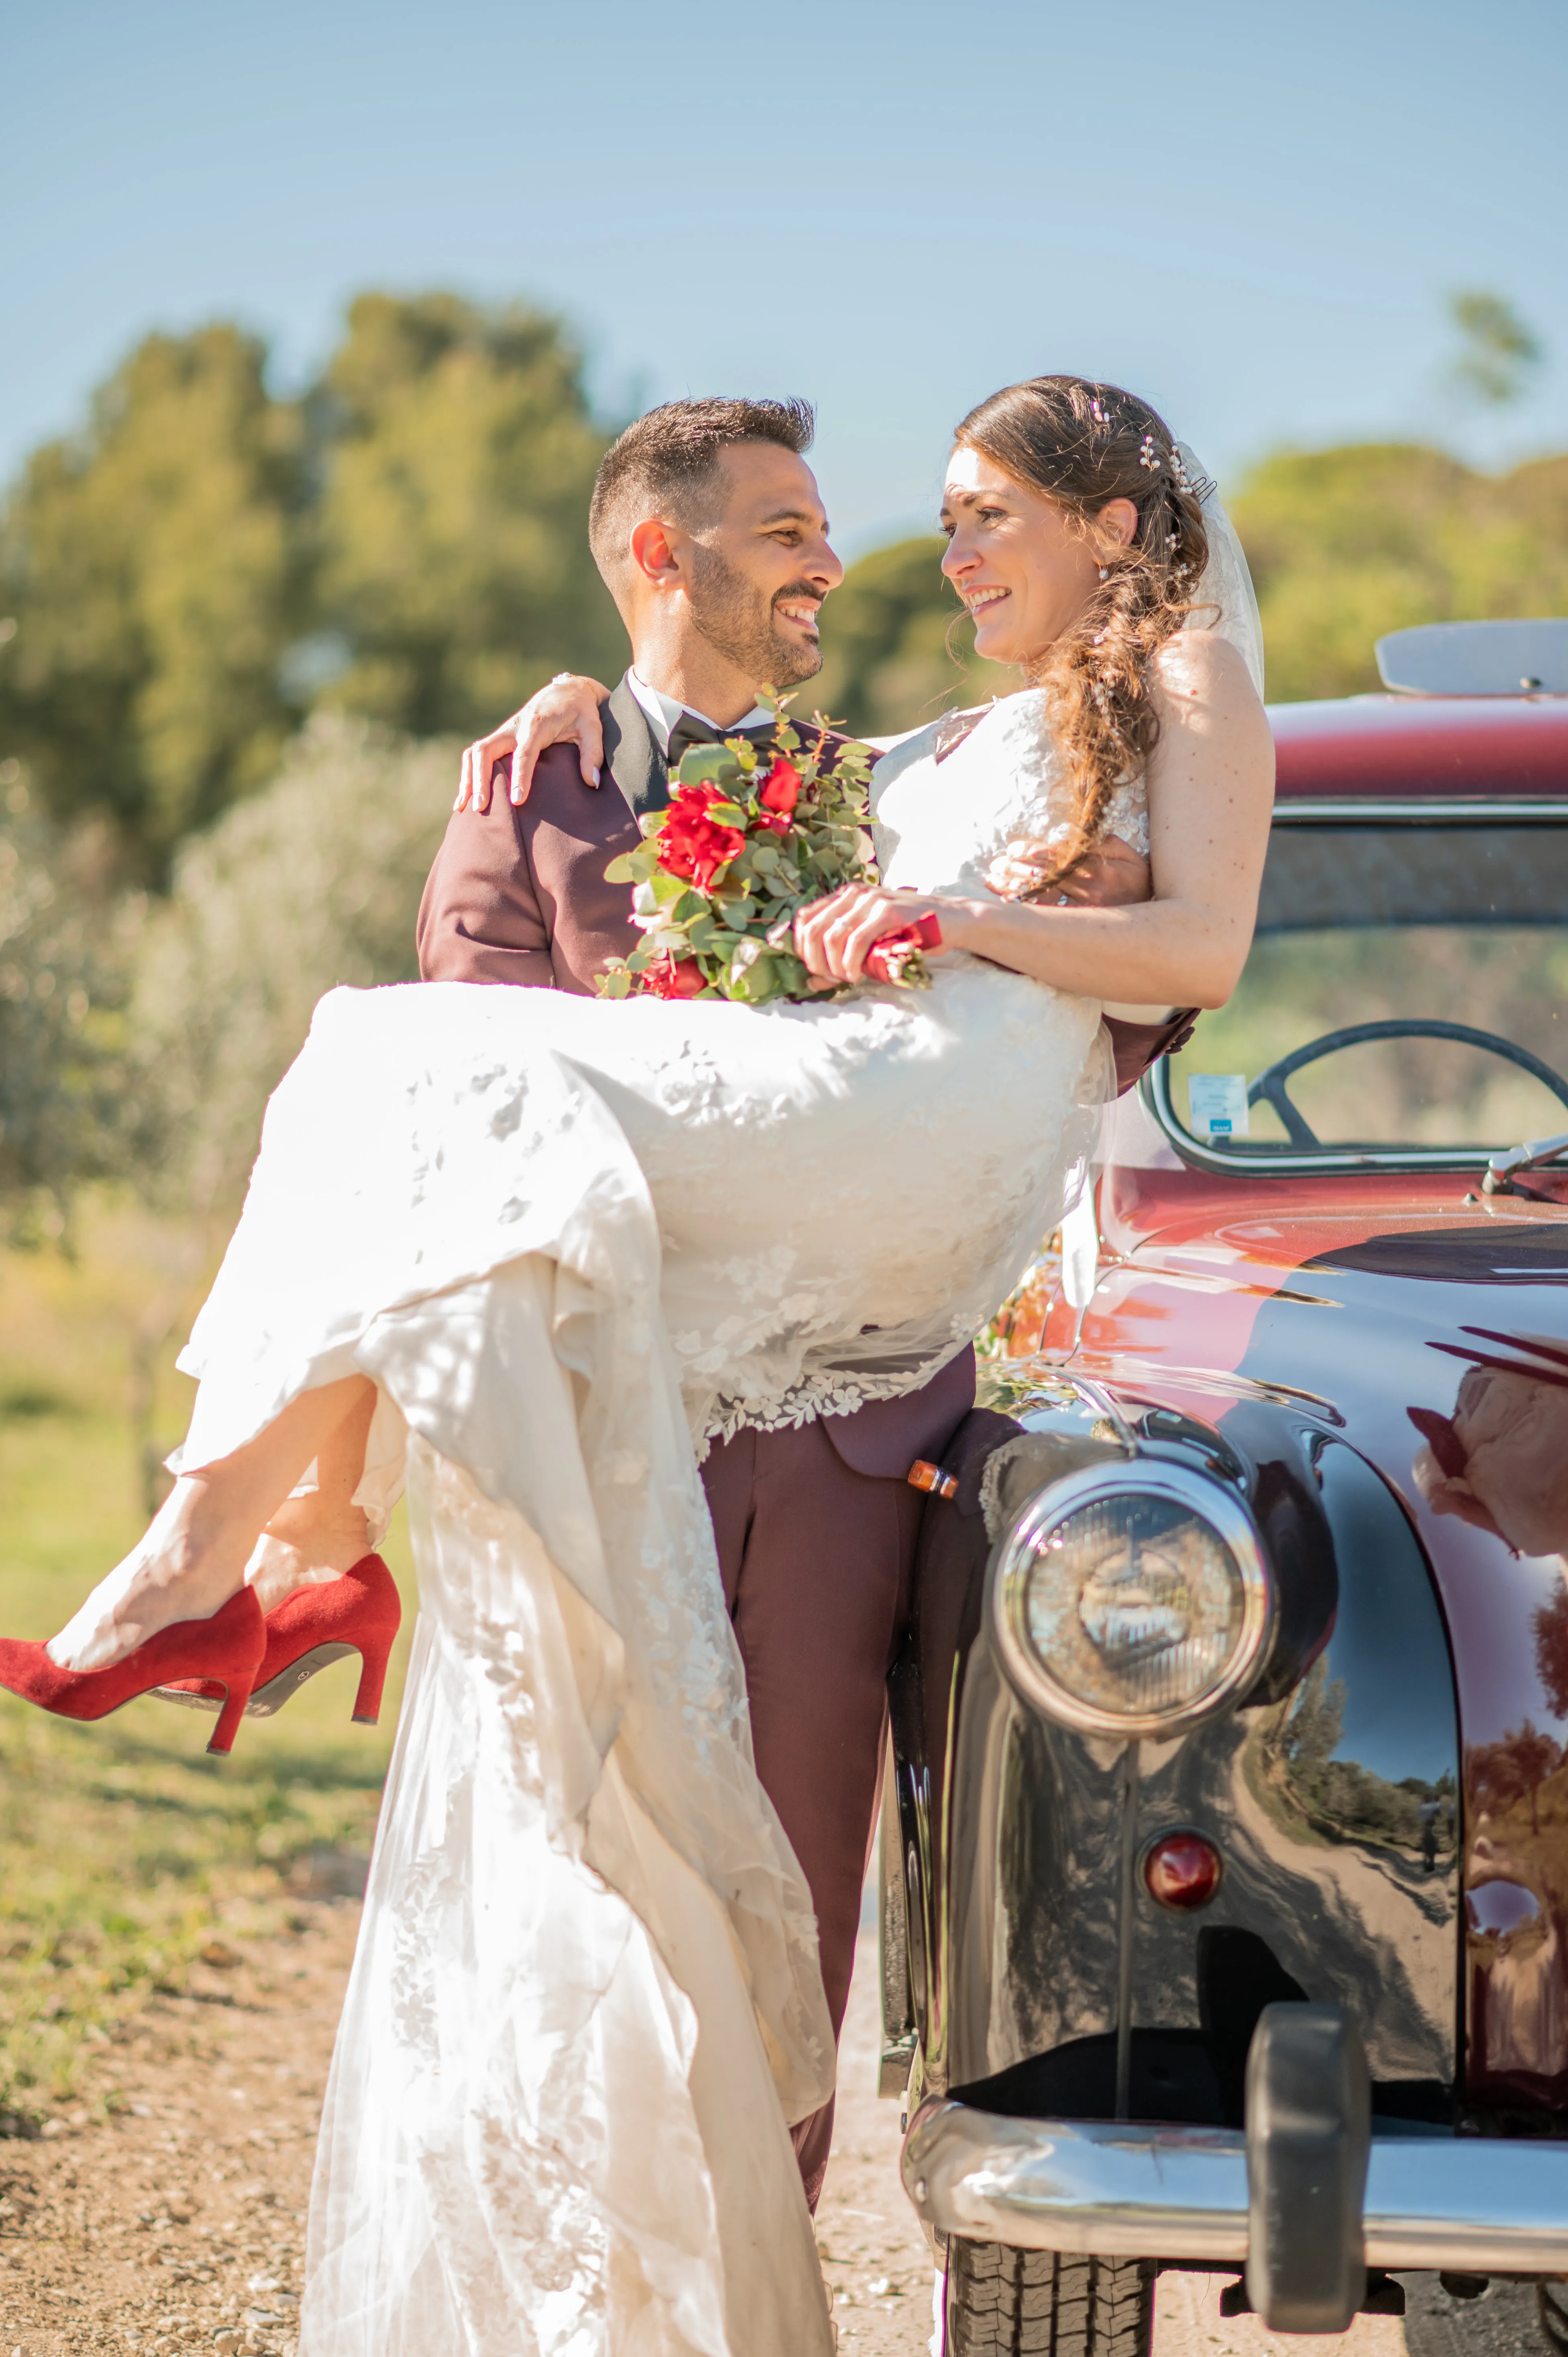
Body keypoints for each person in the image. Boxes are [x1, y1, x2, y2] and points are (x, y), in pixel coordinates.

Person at [0, 376, 1274, 2357]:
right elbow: (496, 1016)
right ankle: (287, 1535)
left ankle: (242, 1548)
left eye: (958, 516)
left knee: (785, 1901)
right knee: (400, 1062)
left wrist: (987, 913)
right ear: (652, 555)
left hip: (858, 1347)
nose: (872, 561)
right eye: (803, 529)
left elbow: (1170, 943)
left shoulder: (965, 744)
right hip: (632, 1369)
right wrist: (574, 714)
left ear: (1114, 525)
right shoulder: (568, 766)